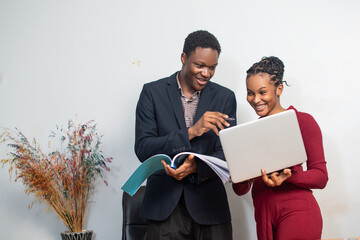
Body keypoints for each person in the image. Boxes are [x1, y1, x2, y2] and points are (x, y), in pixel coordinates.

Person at [135, 30, 237, 239]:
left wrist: (196, 168)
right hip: (164, 208)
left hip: (211, 208)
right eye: (200, 65)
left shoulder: (225, 97)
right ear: (183, 58)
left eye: (212, 67)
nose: (206, 73)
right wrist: (191, 132)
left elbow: (228, 152)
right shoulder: (152, 93)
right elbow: (144, 148)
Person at [232, 56, 328, 240]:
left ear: (279, 89)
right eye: (250, 93)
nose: (255, 99)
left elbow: (321, 176)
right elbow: (240, 189)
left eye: (262, 92)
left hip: (297, 212)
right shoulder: (248, 134)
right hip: (263, 216)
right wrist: (243, 170)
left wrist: (289, 177)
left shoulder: (303, 121)